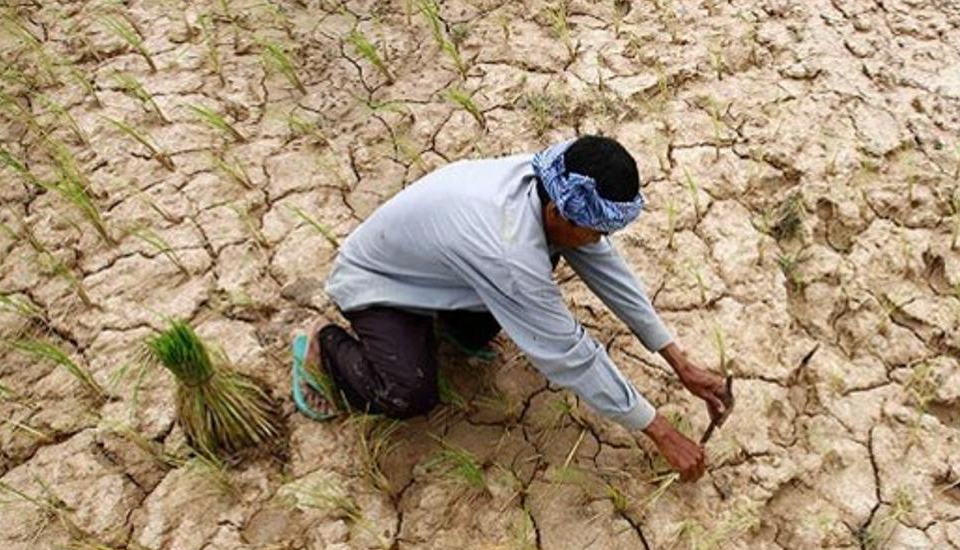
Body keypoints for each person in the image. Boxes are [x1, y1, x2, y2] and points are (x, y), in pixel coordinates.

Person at [290, 135, 730, 481]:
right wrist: (662, 432)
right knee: (409, 393)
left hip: (442, 270)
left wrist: (679, 361)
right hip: (378, 285)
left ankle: (447, 329)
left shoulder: (549, 183)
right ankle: (325, 345)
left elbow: (607, 270)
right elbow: (568, 354)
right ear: (562, 212)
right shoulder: (509, 250)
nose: (599, 242)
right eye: (595, 232)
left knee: (506, 305)